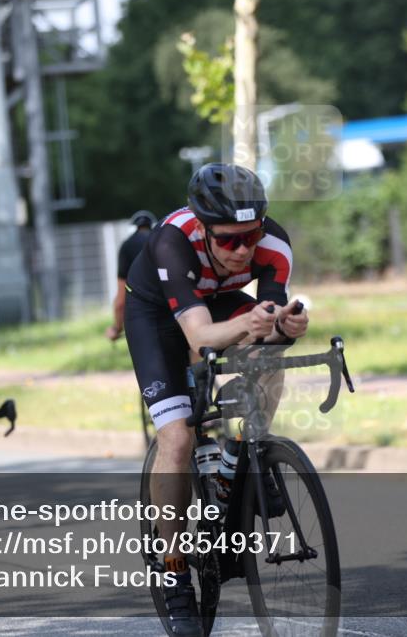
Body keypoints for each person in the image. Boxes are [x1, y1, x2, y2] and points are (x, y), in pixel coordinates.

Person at [124, 163, 308, 636]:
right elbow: (200, 334)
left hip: (221, 300)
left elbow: (266, 315)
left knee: (271, 350)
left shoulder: (274, 244)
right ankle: (174, 572)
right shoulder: (171, 240)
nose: (243, 248)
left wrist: (282, 326)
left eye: (251, 235)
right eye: (228, 240)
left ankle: (244, 450)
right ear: (202, 228)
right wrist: (249, 326)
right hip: (158, 317)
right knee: (178, 438)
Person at [105, 210, 157, 341]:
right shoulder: (163, 241)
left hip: (145, 318)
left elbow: (121, 300)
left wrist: (117, 328)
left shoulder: (127, 247)